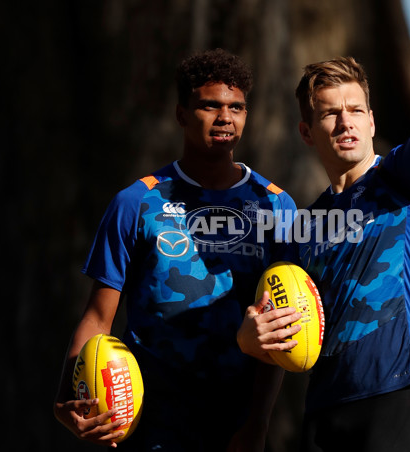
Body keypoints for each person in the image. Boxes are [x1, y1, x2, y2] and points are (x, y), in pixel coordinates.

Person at [238, 8, 410, 452]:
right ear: (306, 131)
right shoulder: (304, 226)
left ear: (372, 122)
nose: (345, 121)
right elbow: (278, 326)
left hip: (395, 395)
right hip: (321, 409)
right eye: (330, 113)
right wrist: (250, 346)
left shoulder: (402, 182)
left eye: (355, 109)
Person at [53, 48, 301, 451]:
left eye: (237, 107)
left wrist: (258, 423)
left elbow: (281, 327)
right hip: (152, 425)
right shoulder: (135, 202)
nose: (225, 117)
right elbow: (98, 318)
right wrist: (65, 401)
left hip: (235, 426)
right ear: (181, 114)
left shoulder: (276, 205)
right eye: (209, 105)